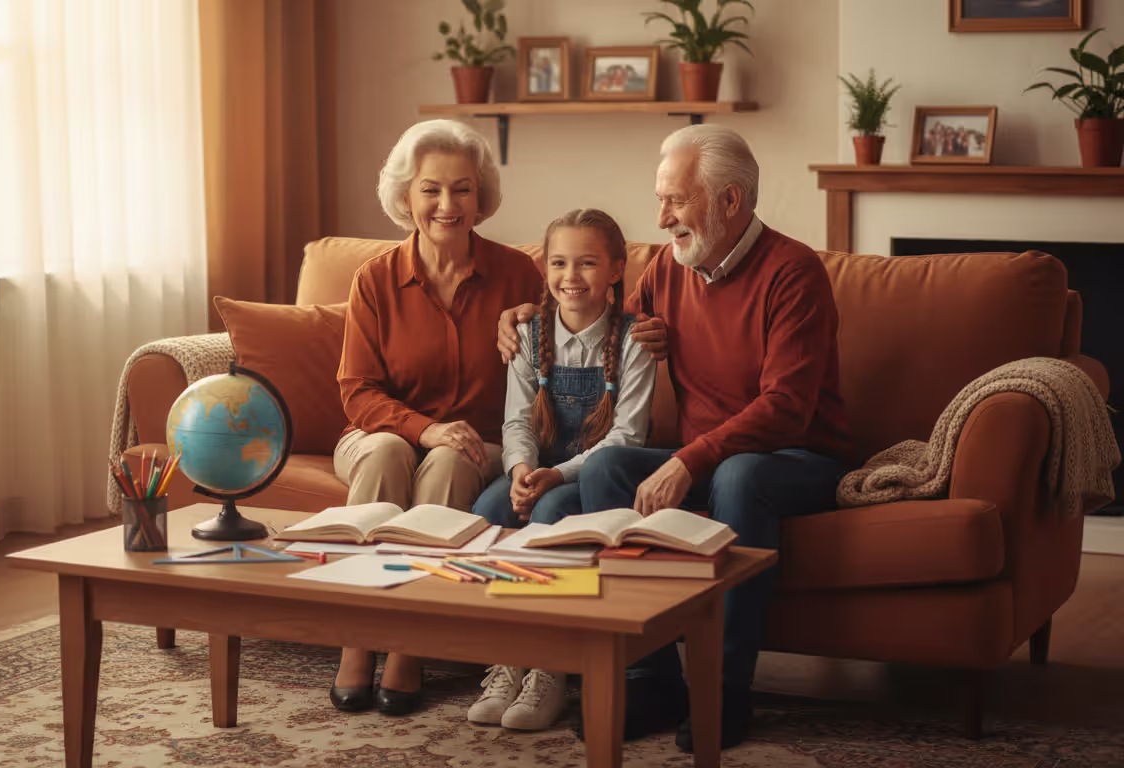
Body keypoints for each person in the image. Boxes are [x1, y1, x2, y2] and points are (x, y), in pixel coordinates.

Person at [497, 124, 852, 751]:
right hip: (706, 456)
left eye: (676, 201)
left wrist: (691, 459)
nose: (660, 218)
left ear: (731, 202)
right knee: (609, 471)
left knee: (742, 474)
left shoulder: (793, 272)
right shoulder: (669, 267)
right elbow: (601, 321)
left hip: (797, 457)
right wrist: (528, 317)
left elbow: (788, 408)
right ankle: (650, 676)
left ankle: (725, 691)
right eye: (661, 200)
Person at [331, 119, 543, 717]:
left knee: (451, 456)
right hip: (378, 434)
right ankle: (358, 634)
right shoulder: (374, 279)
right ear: (406, 197)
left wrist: (538, 326)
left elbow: (573, 356)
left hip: (480, 443)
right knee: (388, 452)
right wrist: (422, 427)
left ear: (482, 198)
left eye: (462, 189)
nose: (447, 205)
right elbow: (357, 390)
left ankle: (408, 643)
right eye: (431, 189)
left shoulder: (519, 275)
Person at [467, 209, 656, 731]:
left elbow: (627, 437)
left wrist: (557, 475)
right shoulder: (529, 333)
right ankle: (509, 659)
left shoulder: (636, 338)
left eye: (588, 263)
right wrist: (522, 468)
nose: (571, 276)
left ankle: (550, 668)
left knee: (550, 512)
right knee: (486, 510)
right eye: (559, 263)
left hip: (584, 479)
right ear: (544, 269)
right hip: (536, 470)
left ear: (617, 269)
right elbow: (517, 421)